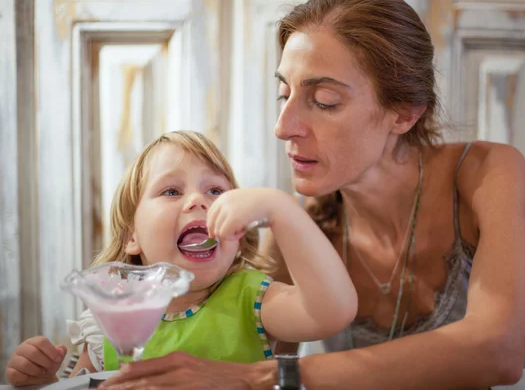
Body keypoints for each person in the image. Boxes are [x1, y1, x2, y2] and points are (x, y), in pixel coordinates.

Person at [91, 0, 525, 388]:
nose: (283, 126)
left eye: (324, 101)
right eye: (284, 93)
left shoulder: (487, 171)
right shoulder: (297, 231)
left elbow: (500, 349)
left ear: (404, 113)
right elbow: (229, 340)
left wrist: (266, 380)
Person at [3, 130, 358, 387]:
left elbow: (332, 312)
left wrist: (282, 210)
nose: (197, 201)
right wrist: (41, 380)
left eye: (216, 191)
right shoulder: (109, 320)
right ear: (132, 237)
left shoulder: (252, 299)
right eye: (171, 191)